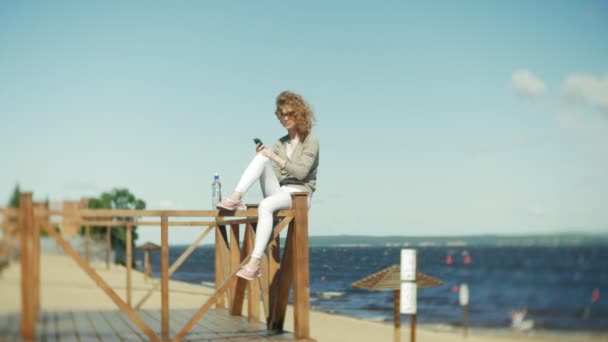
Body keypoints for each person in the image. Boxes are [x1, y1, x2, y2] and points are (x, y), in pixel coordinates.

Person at [216, 90, 319, 280]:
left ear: (299, 114)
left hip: (300, 196)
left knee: (265, 205)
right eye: (281, 115)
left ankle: (254, 263)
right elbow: (280, 176)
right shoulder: (280, 144)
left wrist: (274, 158)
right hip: (282, 190)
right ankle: (236, 197)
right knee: (261, 157)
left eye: (289, 114)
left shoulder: (310, 141)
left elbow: (302, 173)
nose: (285, 118)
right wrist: (269, 158)